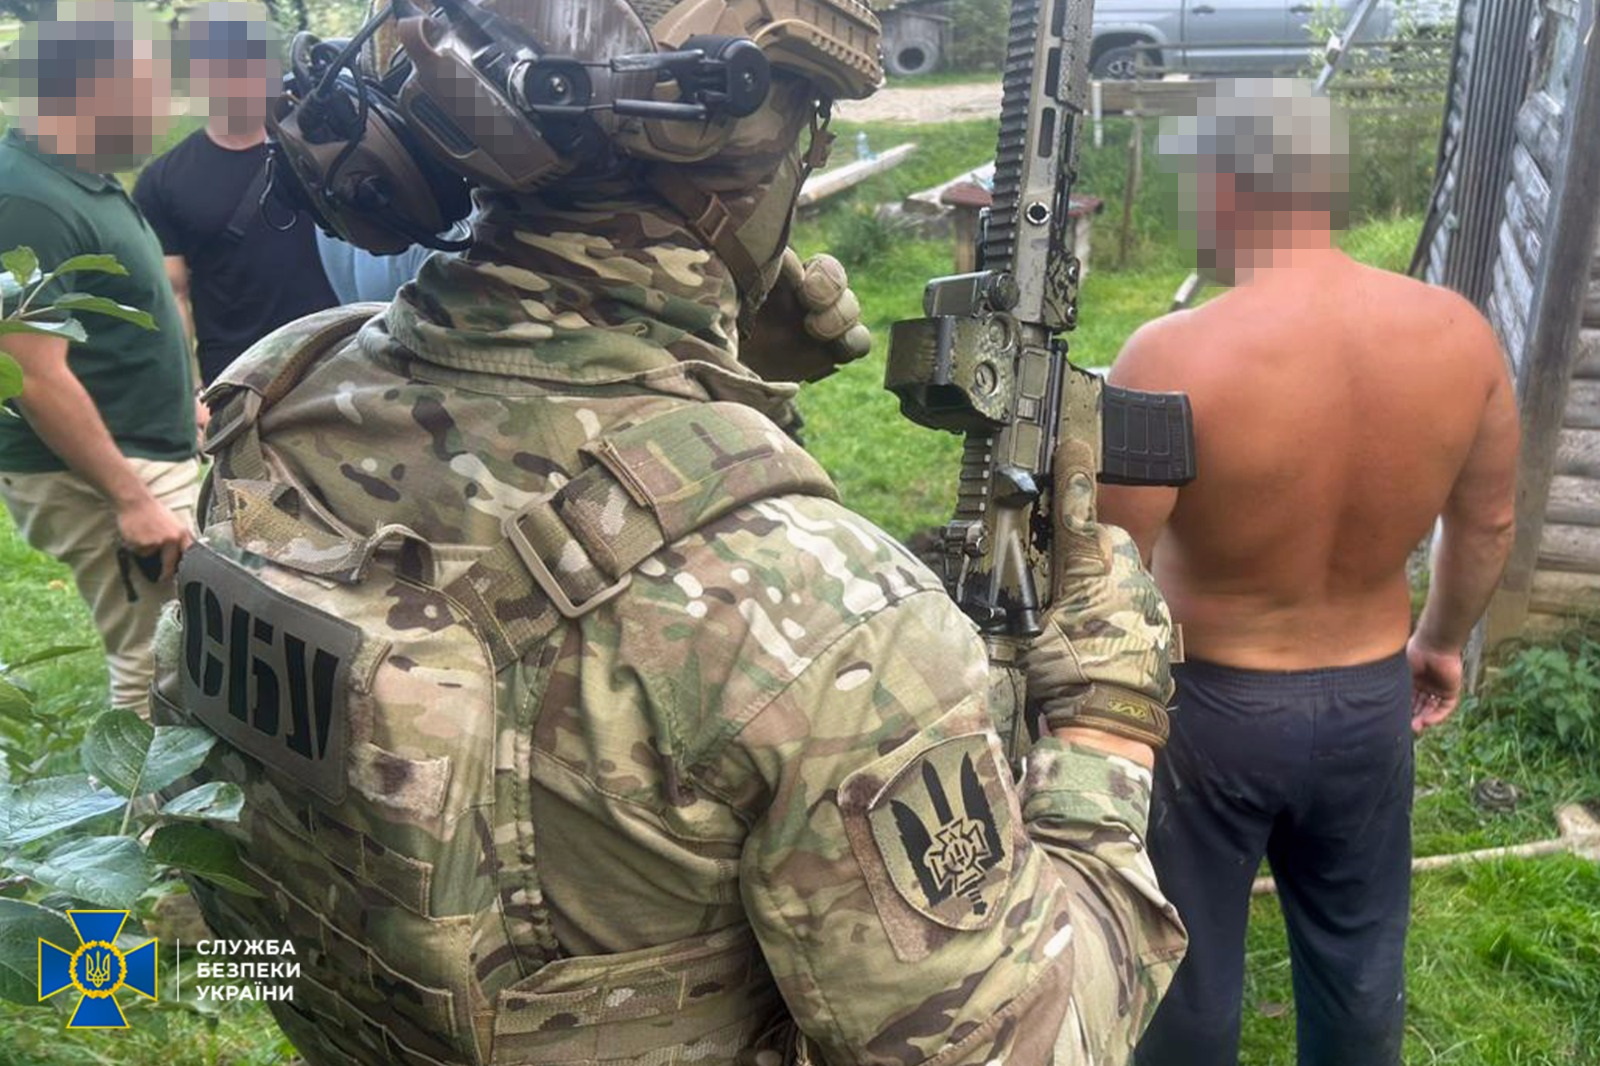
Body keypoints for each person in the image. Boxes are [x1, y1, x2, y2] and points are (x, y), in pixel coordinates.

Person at [150, 3, 1186, 1064]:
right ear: (753, 152)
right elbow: (1027, 1045)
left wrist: (717, 367)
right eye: (811, 125)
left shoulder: (281, 394)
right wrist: (1104, 727)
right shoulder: (822, 623)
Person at [1102, 80, 1520, 1066]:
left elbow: (1109, 564)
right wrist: (1441, 641)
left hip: (1208, 713)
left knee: (1182, 965)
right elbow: (1488, 521)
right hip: (1370, 704)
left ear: (1227, 185)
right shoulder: (1459, 335)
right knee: (1359, 959)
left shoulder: (1167, 355)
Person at [0, 2, 199, 714]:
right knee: (156, 660)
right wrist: (132, 500)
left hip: (138, 452)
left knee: (182, 646)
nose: (166, 113)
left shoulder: (85, 179)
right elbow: (31, 374)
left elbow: (120, 317)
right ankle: (141, 790)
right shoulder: (25, 202)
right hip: (98, 474)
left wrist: (183, 401)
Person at [133, 1, 337, 388]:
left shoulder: (320, 145)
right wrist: (191, 389)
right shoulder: (161, 181)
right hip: (239, 376)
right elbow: (173, 295)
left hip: (336, 353)